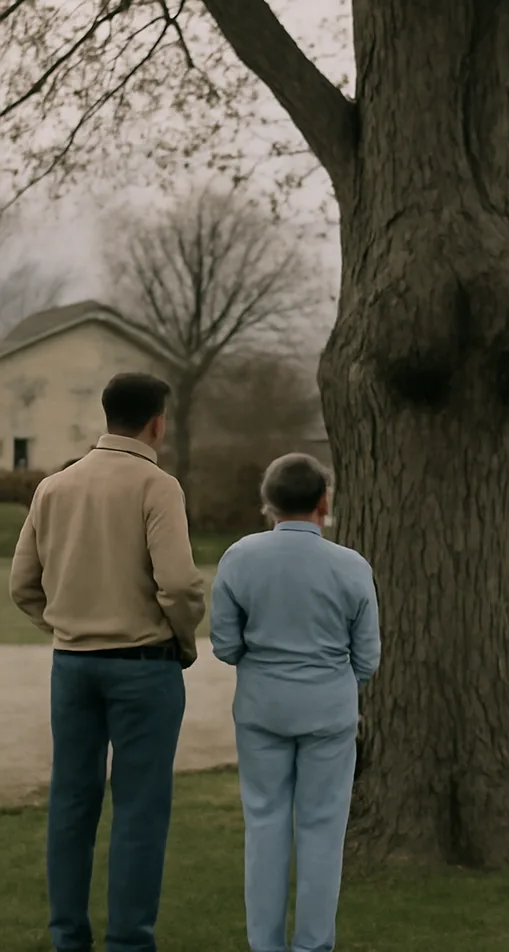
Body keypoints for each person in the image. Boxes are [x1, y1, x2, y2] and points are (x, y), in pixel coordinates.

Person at [9, 372, 206, 952]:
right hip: (144, 665)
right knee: (139, 811)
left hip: (73, 666)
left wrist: (69, 624)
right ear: (157, 421)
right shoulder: (156, 484)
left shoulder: (54, 486)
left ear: (106, 413)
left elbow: (24, 585)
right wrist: (184, 639)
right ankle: (127, 942)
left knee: (71, 804)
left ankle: (68, 937)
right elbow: (178, 584)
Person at [210, 453, 380, 952]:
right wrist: (333, 683)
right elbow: (367, 655)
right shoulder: (351, 565)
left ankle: (264, 944)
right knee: (323, 827)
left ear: (268, 503)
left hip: (262, 706)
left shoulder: (239, 557)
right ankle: (312, 944)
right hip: (328, 708)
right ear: (323, 503)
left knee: (263, 824)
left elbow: (223, 644)